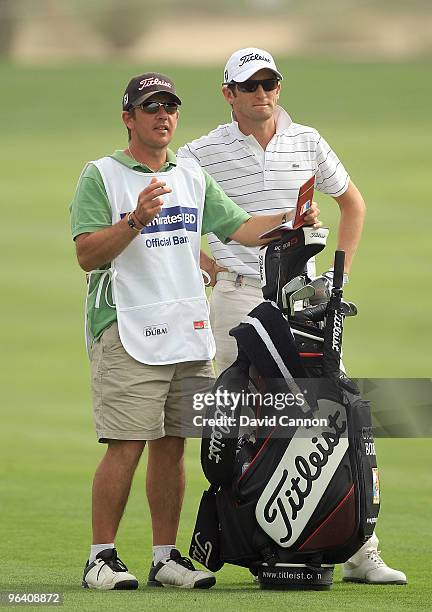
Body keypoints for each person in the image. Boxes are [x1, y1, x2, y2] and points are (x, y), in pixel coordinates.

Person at [69, 71, 320, 591]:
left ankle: (164, 557)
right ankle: (101, 557)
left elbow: (241, 227)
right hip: (128, 327)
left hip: (186, 328)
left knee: (173, 444)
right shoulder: (102, 176)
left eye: (169, 107)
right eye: (150, 107)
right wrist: (135, 220)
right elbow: (87, 254)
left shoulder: (190, 174)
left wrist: (291, 220)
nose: (163, 116)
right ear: (129, 118)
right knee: (125, 444)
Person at [178, 48, 407, 585]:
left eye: (270, 83)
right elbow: (174, 216)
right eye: (250, 85)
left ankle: (358, 547)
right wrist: (206, 265)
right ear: (228, 93)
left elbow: (353, 203)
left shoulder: (307, 139)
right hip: (238, 297)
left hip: (303, 300)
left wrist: (338, 279)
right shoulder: (201, 150)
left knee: (330, 414)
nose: (263, 93)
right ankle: (255, 536)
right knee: (242, 422)